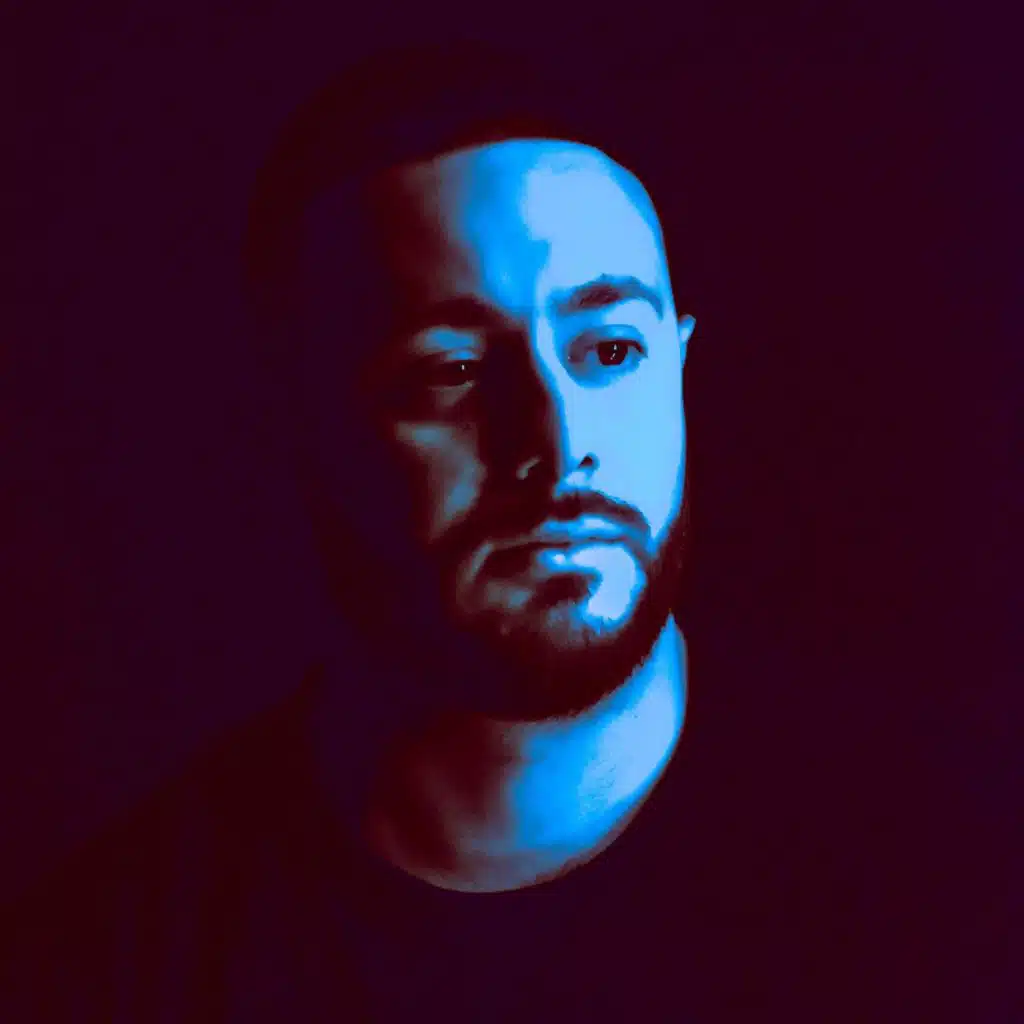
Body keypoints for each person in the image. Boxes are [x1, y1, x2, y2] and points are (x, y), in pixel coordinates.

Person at [0, 42, 803, 1022]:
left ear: (678, 366)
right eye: (450, 373)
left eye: (609, 351)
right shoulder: (110, 966)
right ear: (296, 424)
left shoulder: (925, 850)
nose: (556, 447)